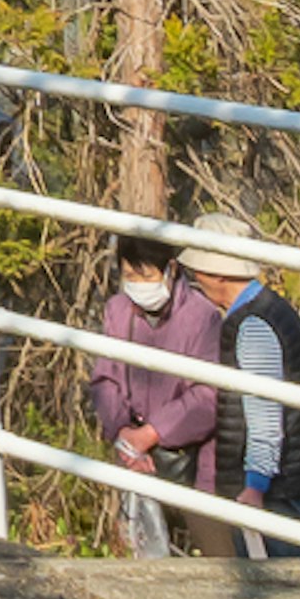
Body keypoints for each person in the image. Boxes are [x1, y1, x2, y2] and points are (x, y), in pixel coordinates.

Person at [182, 208, 300, 573]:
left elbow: (264, 410)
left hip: (274, 487)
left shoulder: (250, 325)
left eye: (198, 270)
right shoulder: (273, 309)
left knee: (275, 586)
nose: (195, 279)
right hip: (290, 473)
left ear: (218, 273)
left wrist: (254, 485)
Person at [89, 228, 226, 553]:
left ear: (170, 269)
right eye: (129, 274)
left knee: (213, 551)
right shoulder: (118, 310)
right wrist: (124, 433)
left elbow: (208, 395)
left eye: (146, 274)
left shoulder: (201, 316)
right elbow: (105, 378)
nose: (138, 283)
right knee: (143, 549)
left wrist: (153, 432)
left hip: (193, 462)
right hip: (133, 453)